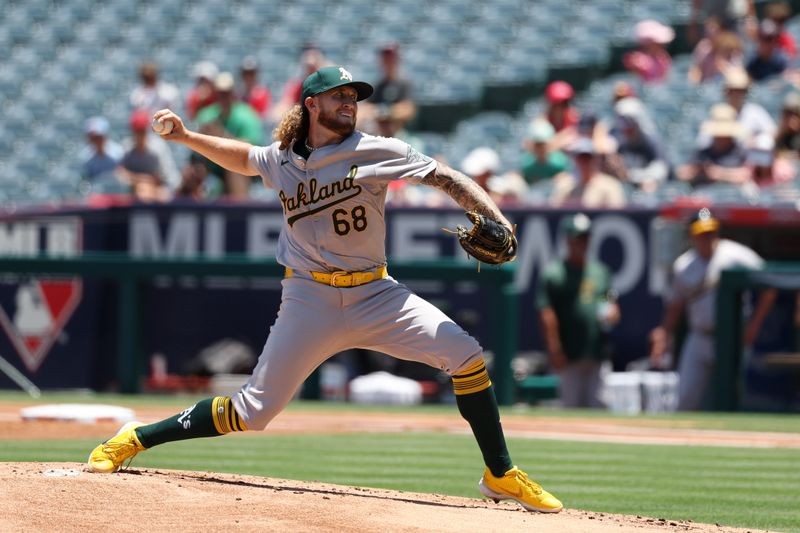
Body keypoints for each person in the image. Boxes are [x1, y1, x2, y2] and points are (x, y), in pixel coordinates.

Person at [88, 65, 563, 513]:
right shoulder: (283, 160)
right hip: (308, 299)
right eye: (340, 96)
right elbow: (245, 160)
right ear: (312, 104)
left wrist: (495, 218)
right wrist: (188, 136)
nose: (350, 103)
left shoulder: (374, 148)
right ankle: (138, 437)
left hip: (377, 295)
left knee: (466, 354)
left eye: (354, 97)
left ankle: (500, 473)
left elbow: (446, 177)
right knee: (253, 411)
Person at [649, 208, 776, 410]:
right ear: (692, 235)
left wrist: (754, 325)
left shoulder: (736, 255)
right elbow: (675, 306)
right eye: (702, 233)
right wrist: (664, 333)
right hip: (698, 336)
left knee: (731, 396)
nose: (707, 238)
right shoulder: (684, 265)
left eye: (711, 232)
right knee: (686, 397)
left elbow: (769, 284)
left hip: (731, 337)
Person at [537, 213, 619, 408]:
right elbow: (547, 315)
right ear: (568, 240)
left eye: (585, 238)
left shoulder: (601, 272)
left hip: (597, 353)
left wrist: (613, 313)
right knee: (569, 408)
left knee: (600, 406)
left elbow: (609, 303)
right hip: (568, 355)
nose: (582, 243)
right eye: (578, 238)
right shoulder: (554, 274)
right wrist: (555, 349)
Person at [196, 72, 264, 199]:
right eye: (221, 93)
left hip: (242, 168)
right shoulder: (206, 115)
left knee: (234, 170)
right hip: (213, 168)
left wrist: (220, 134)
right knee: (192, 172)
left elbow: (249, 149)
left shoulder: (247, 115)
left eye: (227, 93)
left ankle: (239, 215)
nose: (224, 97)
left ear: (233, 93)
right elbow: (197, 151)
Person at [678, 103, 749, 185]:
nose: (721, 138)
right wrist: (696, 171)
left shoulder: (741, 152)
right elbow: (681, 174)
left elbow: (747, 175)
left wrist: (720, 173)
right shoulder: (702, 153)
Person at [117, 110, 180, 202]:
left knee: (157, 194)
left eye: (142, 131)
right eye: (137, 131)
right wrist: (143, 180)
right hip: (136, 190)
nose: (139, 135)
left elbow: (165, 179)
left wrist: (139, 180)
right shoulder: (127, 148)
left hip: (163, 188)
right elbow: (120, 174)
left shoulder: (158, 149)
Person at [550, 138, 627, 208]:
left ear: (596, 159)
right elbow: (554, 210)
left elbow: (616, 215)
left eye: (588, 158)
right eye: (581, 158)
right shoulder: (565, 185)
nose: (585, 162)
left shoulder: (610, 185)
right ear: (576, 160)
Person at [359, 43, 416, 134]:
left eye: (391, 57)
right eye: (385, 57)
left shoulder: (403, 83)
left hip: (401, 134)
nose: (388, 60)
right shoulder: (378, 85)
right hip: (380, 133)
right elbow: (365, 109)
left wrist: (381, 112)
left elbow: (407, 110)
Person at [519, 119, 570, 185]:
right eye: (537, 145)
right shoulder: (526, 165)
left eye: (543, 145)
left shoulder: (560, 163)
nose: (540, 149)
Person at [623, 20, 674, 84]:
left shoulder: (662, 57)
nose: (661, 45)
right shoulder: (636, 59)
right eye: (657, 43)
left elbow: (665, 78)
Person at [79, 116, 123, 181]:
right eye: (92, 138)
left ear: (105, 136)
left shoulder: (118, 152)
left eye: (98, 137)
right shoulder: (85, 156)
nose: (96, 141)